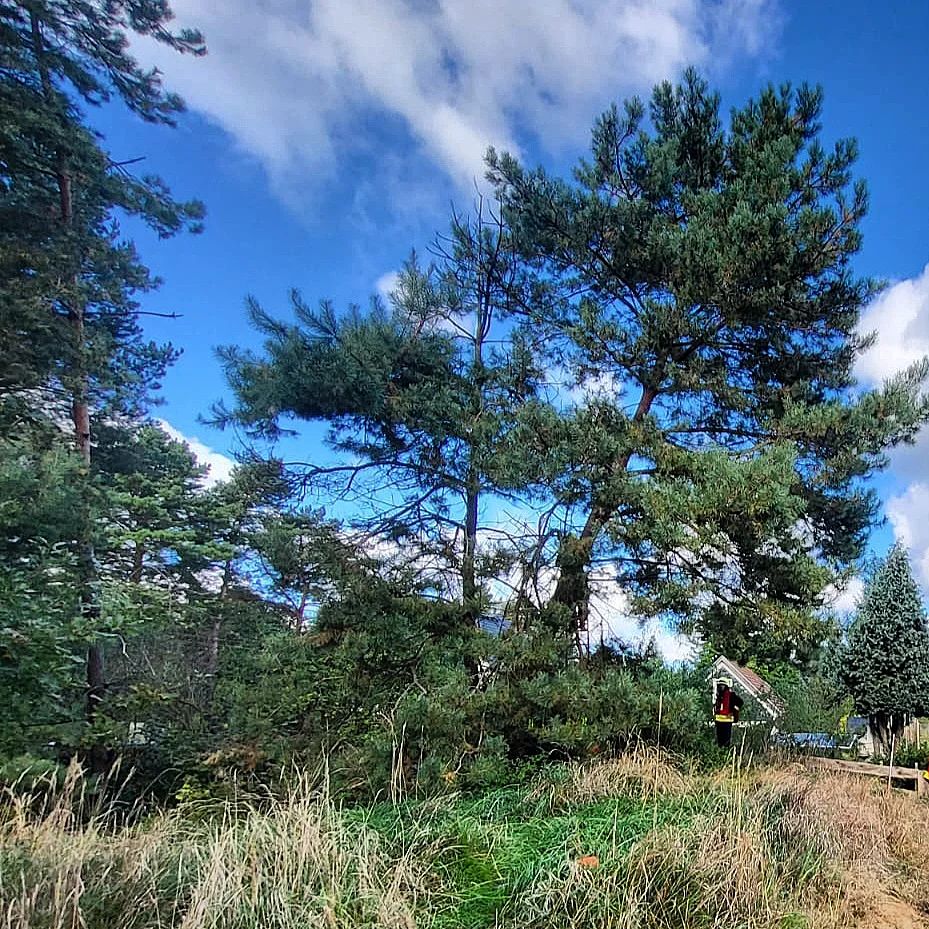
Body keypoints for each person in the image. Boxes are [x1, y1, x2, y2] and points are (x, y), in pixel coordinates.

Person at [714, 682, 743, 747]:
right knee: (720, 741)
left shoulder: (731, 695)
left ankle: (725, 753)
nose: (721, 687)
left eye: (722, 686)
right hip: (719, 721)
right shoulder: (718, 696)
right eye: (720, 686)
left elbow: (740, 702)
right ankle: (721, 753)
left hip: (727, 721)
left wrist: (734, 709)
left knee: (726, 740)